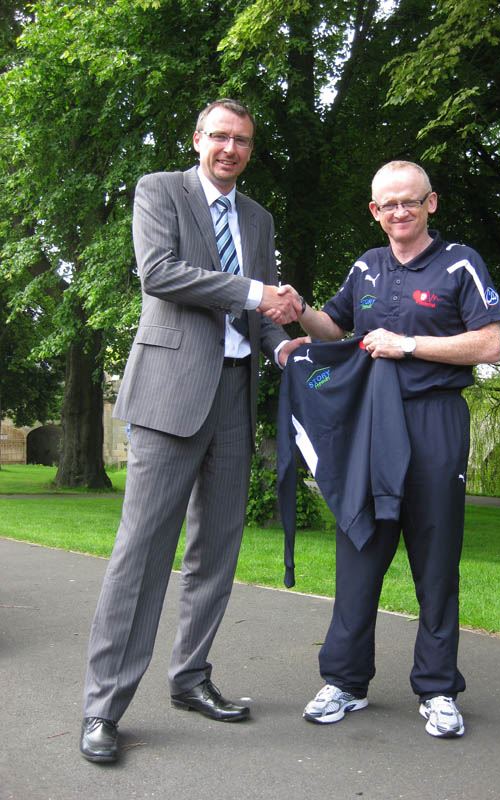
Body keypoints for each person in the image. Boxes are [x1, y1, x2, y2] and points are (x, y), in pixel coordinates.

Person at [80, 98, 306, 763]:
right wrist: (254, 295)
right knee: (144, 551)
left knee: (219, 548)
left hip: (235, 398)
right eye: (219, 136)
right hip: (169, 396)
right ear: (197, 140)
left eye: (241, 140)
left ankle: (191, 677)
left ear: (250, 150)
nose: (229, 148)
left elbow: (258, 308)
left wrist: (282, 344)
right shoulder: (160, 192)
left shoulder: (258, 219)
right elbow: (160, 273)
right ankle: (103, 708)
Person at [285, 160, 500, 738]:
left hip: (434, 422)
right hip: (368, 426)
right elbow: (333, 329)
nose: (400, 212)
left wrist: (408, 343)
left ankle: (437, 690)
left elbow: (489, 345)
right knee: (359, 546)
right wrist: (297, 313)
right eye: (388, 205)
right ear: (374, 211)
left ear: (431, 203)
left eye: (410, 202)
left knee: (435, 562)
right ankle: (345, 681)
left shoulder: (460, 262)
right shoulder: (366, 267)